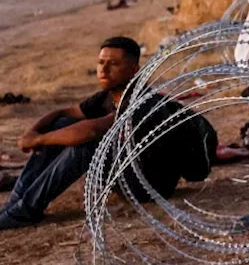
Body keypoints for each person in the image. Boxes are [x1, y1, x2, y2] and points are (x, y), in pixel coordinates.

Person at [0, 37, 186, 230]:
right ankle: (14, 204)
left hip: (149, 184)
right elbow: (63, 113)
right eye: (100, 63)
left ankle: (25, 212)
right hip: (127, 172)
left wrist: (40, 139)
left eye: (113, 64)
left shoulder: (141, 99)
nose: (103, 70)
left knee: (87, 145)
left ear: (134, 70)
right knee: (63, 124)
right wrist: (31, 134)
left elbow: (92, 130)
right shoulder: (110, 94)